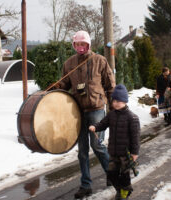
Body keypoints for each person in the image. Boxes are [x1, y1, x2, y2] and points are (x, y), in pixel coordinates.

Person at [54, 30, 116, 199]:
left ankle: (112, 175)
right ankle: (86, 185)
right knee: (82, 150)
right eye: (77, 44)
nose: (80, 47)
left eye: (83, 44)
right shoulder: (69, 64)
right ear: (74, 45)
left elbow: (110, 85)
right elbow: (64, 84)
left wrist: (113, 109)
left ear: (88, 44)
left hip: (97, 109)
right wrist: (57, 87)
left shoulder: (99, 61)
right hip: (78, 112)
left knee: (97, 146)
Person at [89, 84, 140, 200]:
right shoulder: (111, 115)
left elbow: (136, 138)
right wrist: (95, 127)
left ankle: (124, 194)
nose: (116, 103)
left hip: (126, 154)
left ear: (125, 101)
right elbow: (102, 124)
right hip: (113, 152)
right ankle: (120, 190)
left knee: (125, 176)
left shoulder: (132, 117)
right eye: (114, 100)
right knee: (111, 173)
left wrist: (135, 153)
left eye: (119, 101)